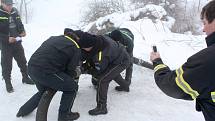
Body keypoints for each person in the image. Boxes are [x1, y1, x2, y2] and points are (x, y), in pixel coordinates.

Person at [150, 1, 215, 121]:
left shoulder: (208, 60)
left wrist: (157, 61)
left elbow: (172, 85)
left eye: (205, 23)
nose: (203, 29)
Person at [16, 30, 82, 121]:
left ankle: (23, 110)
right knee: (72, 87)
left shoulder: (53, 38)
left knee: (43, 91)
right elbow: (70, 70)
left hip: (31, 67)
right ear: (76, 40)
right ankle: (64, 116)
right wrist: (74, 74)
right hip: (46, 71)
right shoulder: (76, 47)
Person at [78, 31, 131, 115]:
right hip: (116, 56)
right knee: (112, 74)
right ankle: (125, 86)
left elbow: (99, 71)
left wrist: (84, 70)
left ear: (89, 46)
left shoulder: (100, 55)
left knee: (103, 80)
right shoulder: (98, 40)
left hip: (121, 61)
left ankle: (102, 107)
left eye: (84, 48)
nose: (83, 49)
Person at [0, 0, 34, 93]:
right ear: (1, 3)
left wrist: (23, 31)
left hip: (17, 42)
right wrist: (7, 38)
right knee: (7, 64)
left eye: (11, 4)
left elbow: (19, 23)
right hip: (6, 44)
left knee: (22, 61)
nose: (10, 6)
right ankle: (8, 83)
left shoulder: (15, 11)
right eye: (8, 5)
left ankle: (25, 77)